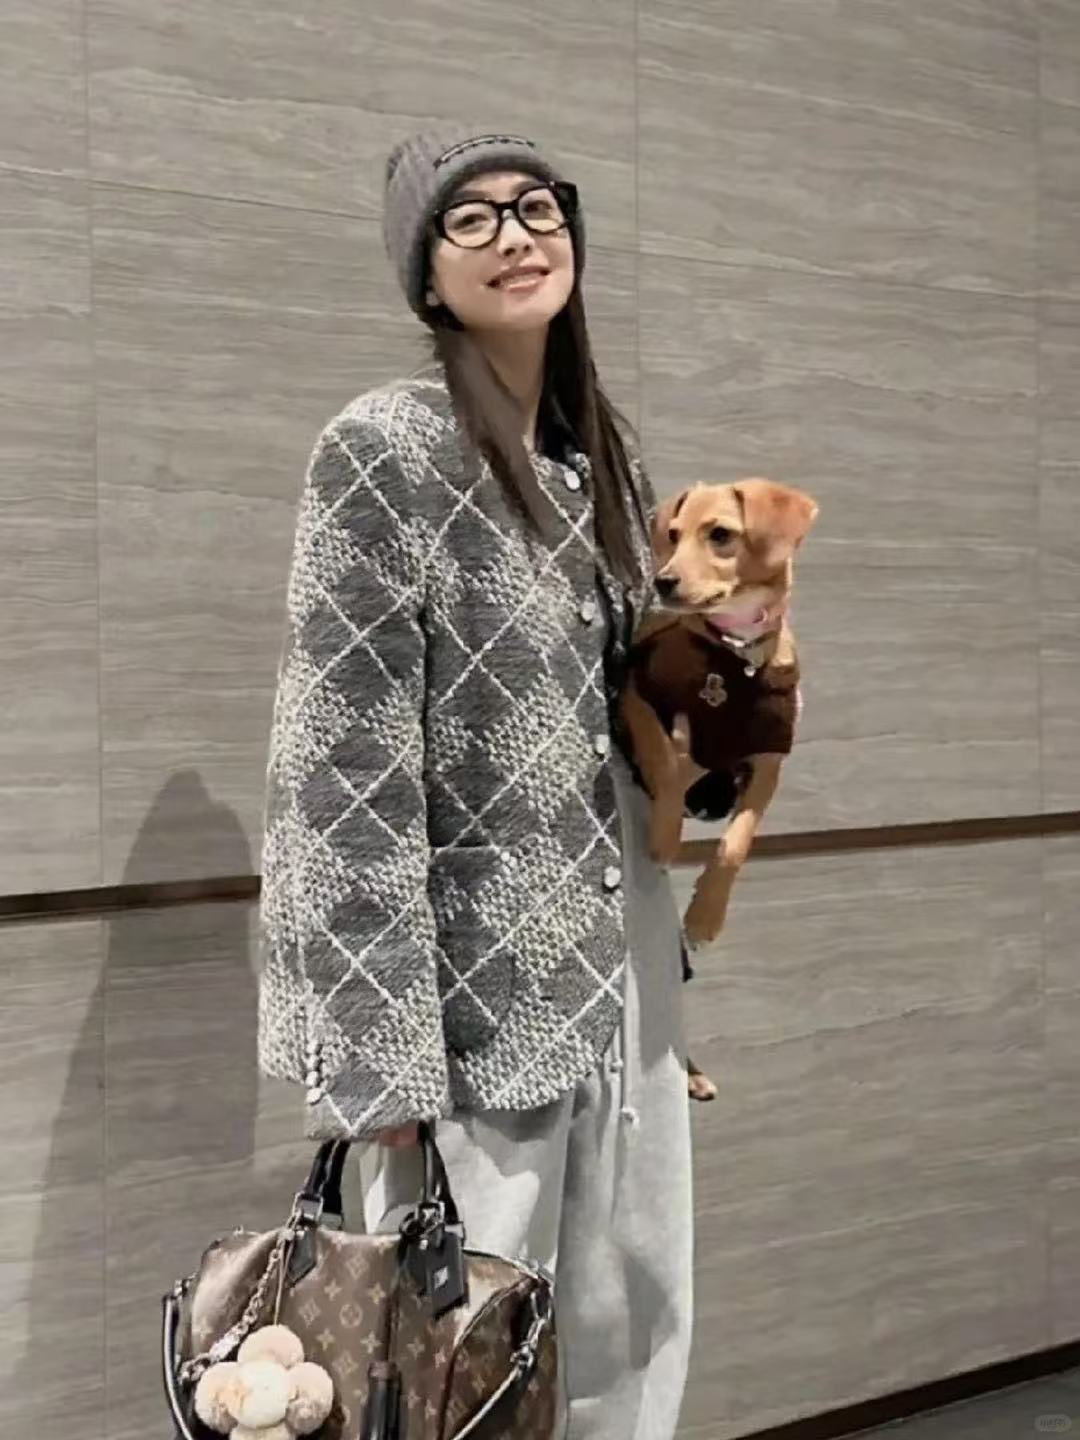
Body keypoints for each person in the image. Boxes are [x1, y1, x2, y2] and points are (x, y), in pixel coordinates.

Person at [257, 129, 692, 1439]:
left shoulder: (599, 460)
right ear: (427, 276)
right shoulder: (384, 451)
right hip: (469, 1017)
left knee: (627, 1344)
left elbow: (631, 727)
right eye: (472, 218)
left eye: (538, 207)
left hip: (622, 982)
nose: (516, 235)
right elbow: (339, 768)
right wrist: (379, 1058)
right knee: (458, 1373)